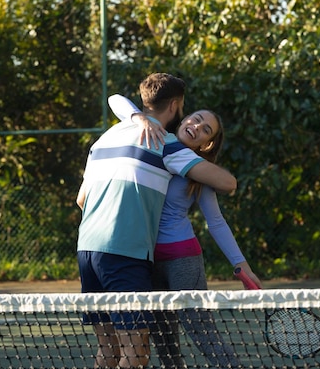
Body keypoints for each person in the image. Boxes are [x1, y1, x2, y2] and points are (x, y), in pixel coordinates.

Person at [75, 73, 238, 369]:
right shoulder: (167, 143)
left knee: (108, 350)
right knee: (136, 353)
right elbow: (228, 183)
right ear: (176, 105)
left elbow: (81, 199)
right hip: (125, 253)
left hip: (86, 250)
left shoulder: (105, 137)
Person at [108, 93, 262, 368]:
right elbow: (116, 100)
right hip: (145, 259)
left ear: (208, 143)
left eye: (206, 130)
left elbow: (215, 221)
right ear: (184, 116)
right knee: (164, 340)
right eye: (197, 119)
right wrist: (140, 117)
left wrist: (242, 265)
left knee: (200, 330)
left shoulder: (198, 171)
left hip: (183, 259)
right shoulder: (151, 140)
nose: (197, 127)